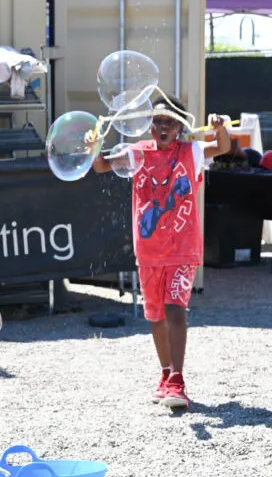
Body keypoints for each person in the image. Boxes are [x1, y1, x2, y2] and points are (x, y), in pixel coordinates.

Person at [91, 95, 231, 408]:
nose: (161, 126)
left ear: (182, 126)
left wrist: (221, 129)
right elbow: (101, 165)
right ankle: (166, 374)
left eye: (169, 121)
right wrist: (95, 143)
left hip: (183, 250)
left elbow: (221, 148)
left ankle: (178, 380)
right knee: (154, 316)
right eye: (156, 120)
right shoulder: (137, 152)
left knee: (174, 309)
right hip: (149, 251)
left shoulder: (191, 151)